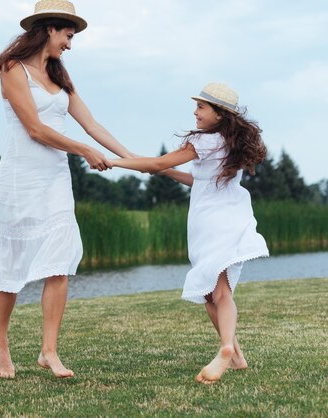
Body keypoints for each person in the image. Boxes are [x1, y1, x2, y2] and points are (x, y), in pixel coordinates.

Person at [0, 0, 135, 379]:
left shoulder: (61, 77)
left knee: (60, 262)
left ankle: (48, 351)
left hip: (55, 180)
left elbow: (92, 124)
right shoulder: (13, 69)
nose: (70, 44)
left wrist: (132, 159)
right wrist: (82, 150)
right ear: (50, 29)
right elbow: (34, 129)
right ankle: (1, 344)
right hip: (21, 178)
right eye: (68, 35)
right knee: (11, 264)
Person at [108, 82, 269, 384]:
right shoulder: (227, 142)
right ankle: (235, 354)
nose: (195, 112)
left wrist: (116, 162)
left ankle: (224, 348)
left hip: (210, 222)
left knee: (219, 292)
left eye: (201, 107)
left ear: (219, 114)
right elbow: (198, 181)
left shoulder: (203, 141)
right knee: (212, 292)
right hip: (230, 216)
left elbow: (157, 162)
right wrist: (160, 170)